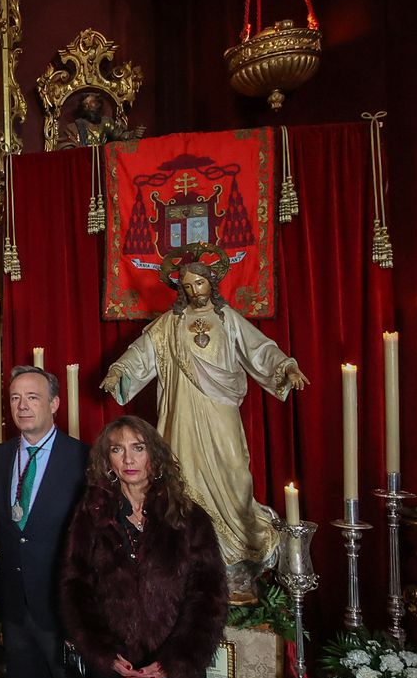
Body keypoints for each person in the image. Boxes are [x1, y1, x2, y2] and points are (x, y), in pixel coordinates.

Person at [99, 252, 309, 599]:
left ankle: (238, 559)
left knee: (234, 474)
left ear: (212, 282)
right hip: (182, 416)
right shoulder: (169, 324)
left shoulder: (227, 319)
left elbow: (260, 350)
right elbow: (142, 352)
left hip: (220, 412)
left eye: (199, 282)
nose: (195, 290)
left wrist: (285, 367)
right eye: (187, 286)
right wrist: (118, 371)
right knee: (183, 481)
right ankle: (193, 558)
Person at [61, 416, 228, 678]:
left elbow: (209, 594)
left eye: (138, 447)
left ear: (155, 455)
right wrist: (104, 654)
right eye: (117, 449)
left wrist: (173, 660)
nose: (128, 459)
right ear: (107, 459)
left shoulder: (188, 516)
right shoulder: (91, 514)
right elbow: (74, 587)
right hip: (116, 663)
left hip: (175, 663)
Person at [0, 368, 100, 678]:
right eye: (15, 398)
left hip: (64, 610)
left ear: (55, 404)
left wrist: (83, 613)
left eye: (32, 397)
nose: (22, 406)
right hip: (17, 608)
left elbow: (92, 542)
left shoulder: (83, 459)